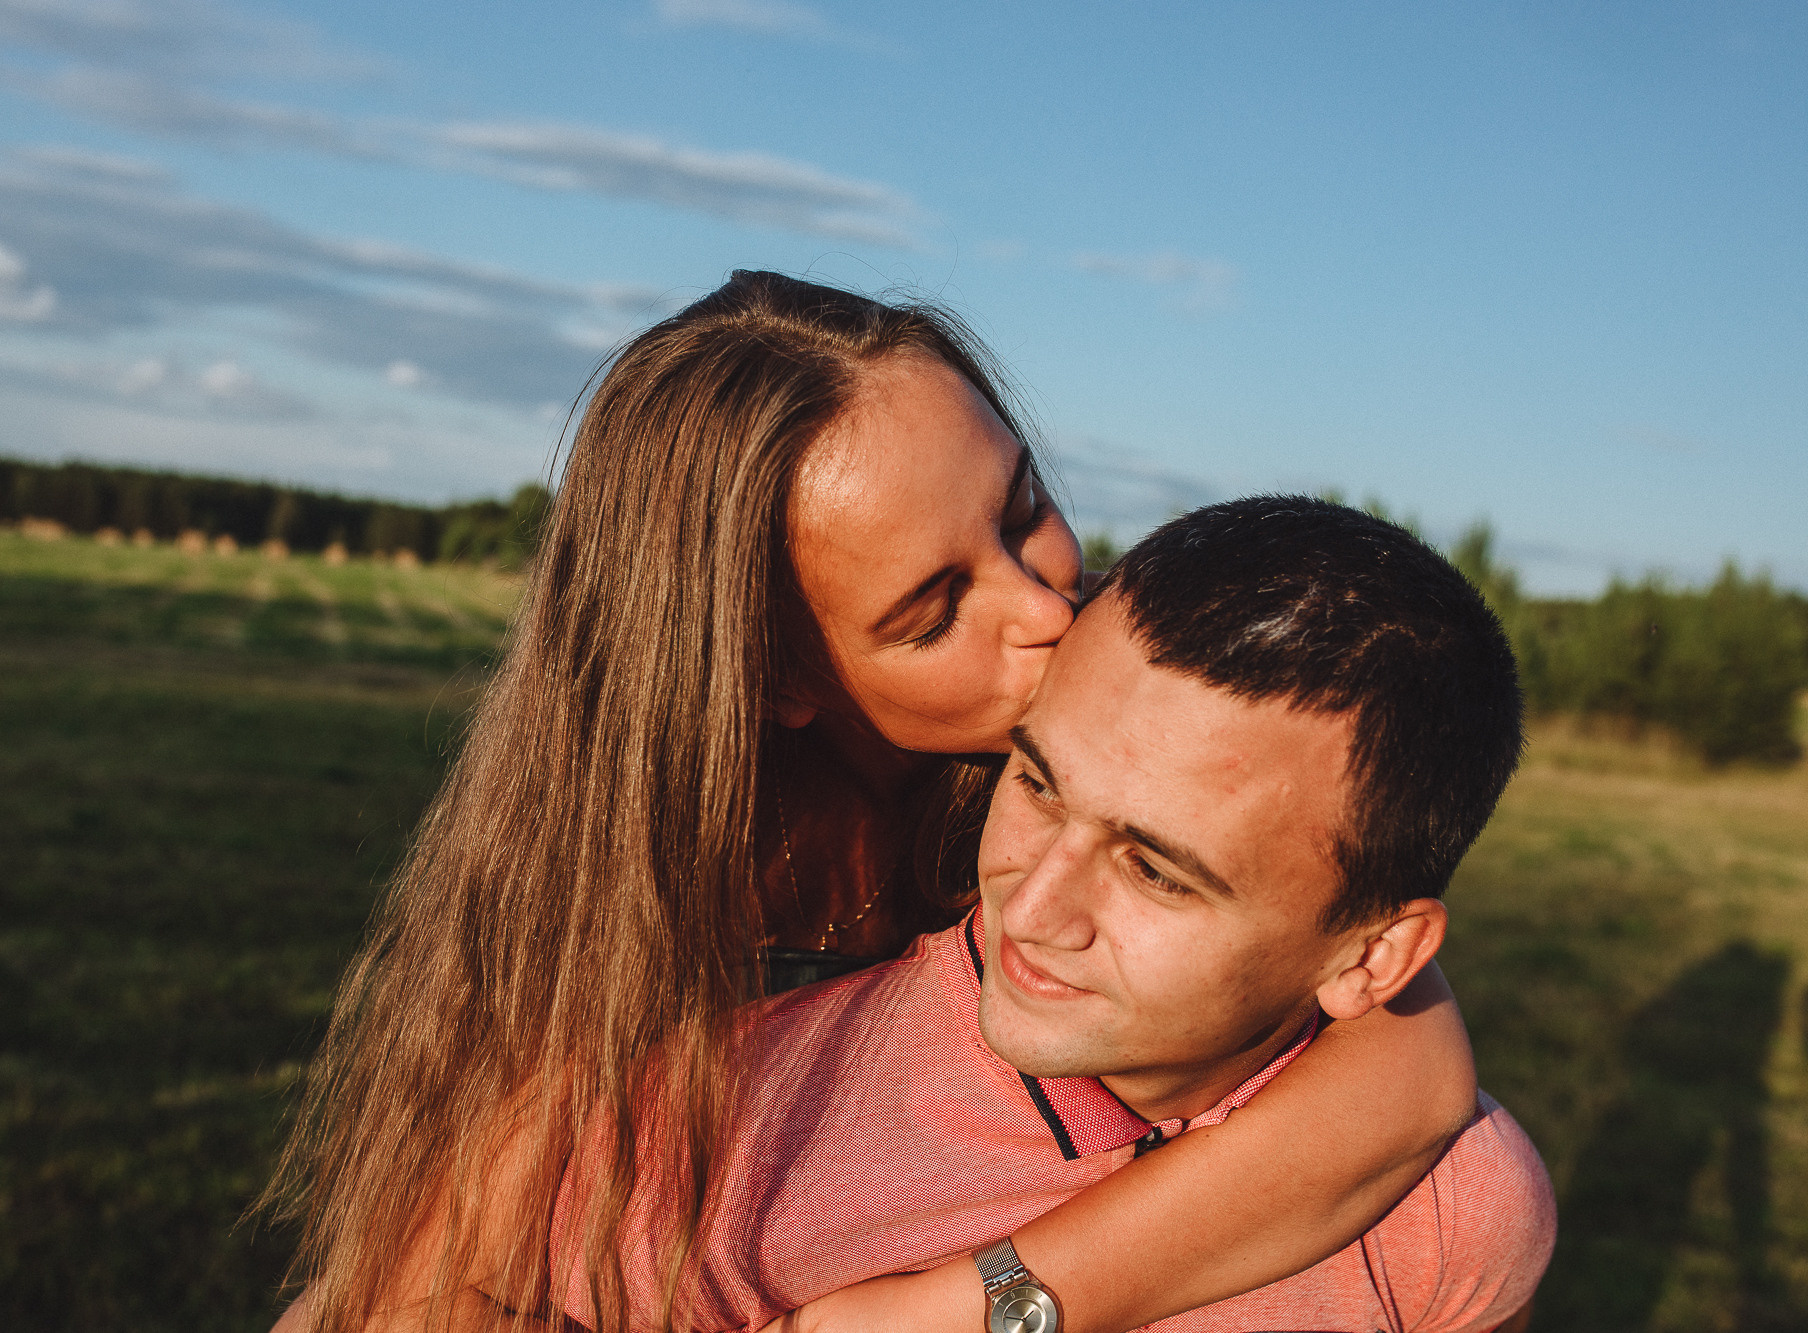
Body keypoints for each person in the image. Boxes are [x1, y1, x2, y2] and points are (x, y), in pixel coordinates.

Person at [263, 275, 1480, 1333]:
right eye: (932, 609)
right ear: (775, 674)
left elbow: (1409, 1073)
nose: (1047, 609)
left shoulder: (1113, 671)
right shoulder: (646, 920)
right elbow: (399, 1294)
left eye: (1019, 512)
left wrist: (979, 1306)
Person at [535, 497, 1555, 1333]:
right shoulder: (737, 1121)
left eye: (1154, 869)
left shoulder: (1451, 1208)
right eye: (1036, 782)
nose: (1035, 903)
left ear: (1375, 956)